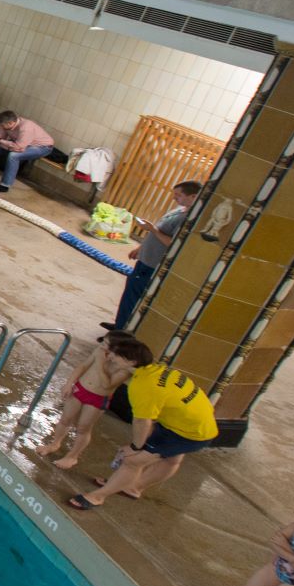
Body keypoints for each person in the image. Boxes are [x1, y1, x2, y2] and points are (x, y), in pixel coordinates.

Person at [68, 356, 219, 510]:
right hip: (194, 423)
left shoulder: (143, 387)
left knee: (133, 461)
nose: (110, 357)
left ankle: (97, 497)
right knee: (171, 460)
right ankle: (132, 487)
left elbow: (143, 421)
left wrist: (135, 447)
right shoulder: (157, 370)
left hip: (189, 433)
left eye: (116, 356)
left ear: (131, 361)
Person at [38, 332, 150, 469]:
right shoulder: (99, 351)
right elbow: (83, 366)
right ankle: (54, 443)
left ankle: (72, 456)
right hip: (80, 389)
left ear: (117, 349)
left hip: (97, 398)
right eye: (103, 342)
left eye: (106, 344)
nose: (102, 346)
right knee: (65, 419)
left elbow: (107, 385)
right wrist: (69, 383)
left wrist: (100, 362)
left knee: (83, 428)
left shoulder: (123, 368)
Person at [103, 180, 201, 330]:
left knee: (134, 297)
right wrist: (141, 248)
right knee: (129, 293)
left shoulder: (187, 220)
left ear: (194, 197)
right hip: (146, 258)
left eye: (178, 195)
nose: (175, 198)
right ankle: (120, 324)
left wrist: (152, 229)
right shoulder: (179, 210)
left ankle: (121, 331)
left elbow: (174, 243)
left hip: (153, 264)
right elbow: (158, 231)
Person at [0, 111, 55, 194]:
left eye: (2, 126)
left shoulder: (26, 128)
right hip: (22, 143)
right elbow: (0, 139)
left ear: (10, 123)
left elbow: (19, 147)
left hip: (42, 147)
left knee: (14, 156)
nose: (1, 128)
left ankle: (4, 186)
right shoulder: (5, 124)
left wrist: (0, 140)